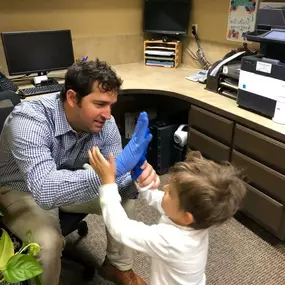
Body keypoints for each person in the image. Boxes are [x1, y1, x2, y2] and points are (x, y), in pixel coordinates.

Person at [0, 59, 160, 285]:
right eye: (99, 104)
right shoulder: (28, 120)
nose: (107, 114)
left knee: (124, 193)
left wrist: (138, 175)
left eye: (111, 105)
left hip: (73, 180)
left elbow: (117, 177)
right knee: (48, 244)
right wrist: (120, 168)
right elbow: (45, 190)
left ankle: (117, 265)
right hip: (23, 189)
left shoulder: (105, 123)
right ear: (73, 98)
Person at [88, 147, 247, 285]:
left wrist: (108, 183)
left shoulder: (172, 241)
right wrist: (143, 181)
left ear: (187, 217)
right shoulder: (193, 221)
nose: (164, 187)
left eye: (170, 192)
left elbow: (120, 228)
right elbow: (162, 202)